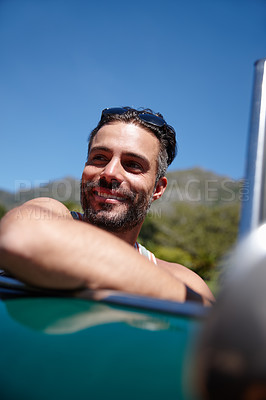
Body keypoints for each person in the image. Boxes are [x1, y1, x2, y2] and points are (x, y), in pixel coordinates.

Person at [0, 107, 214, 305]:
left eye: (133, 164)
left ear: (158, 188)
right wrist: (180, 297)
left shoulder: (187, 281)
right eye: (99, 158)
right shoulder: (52, 213)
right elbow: (20, 237)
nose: (109, 173)